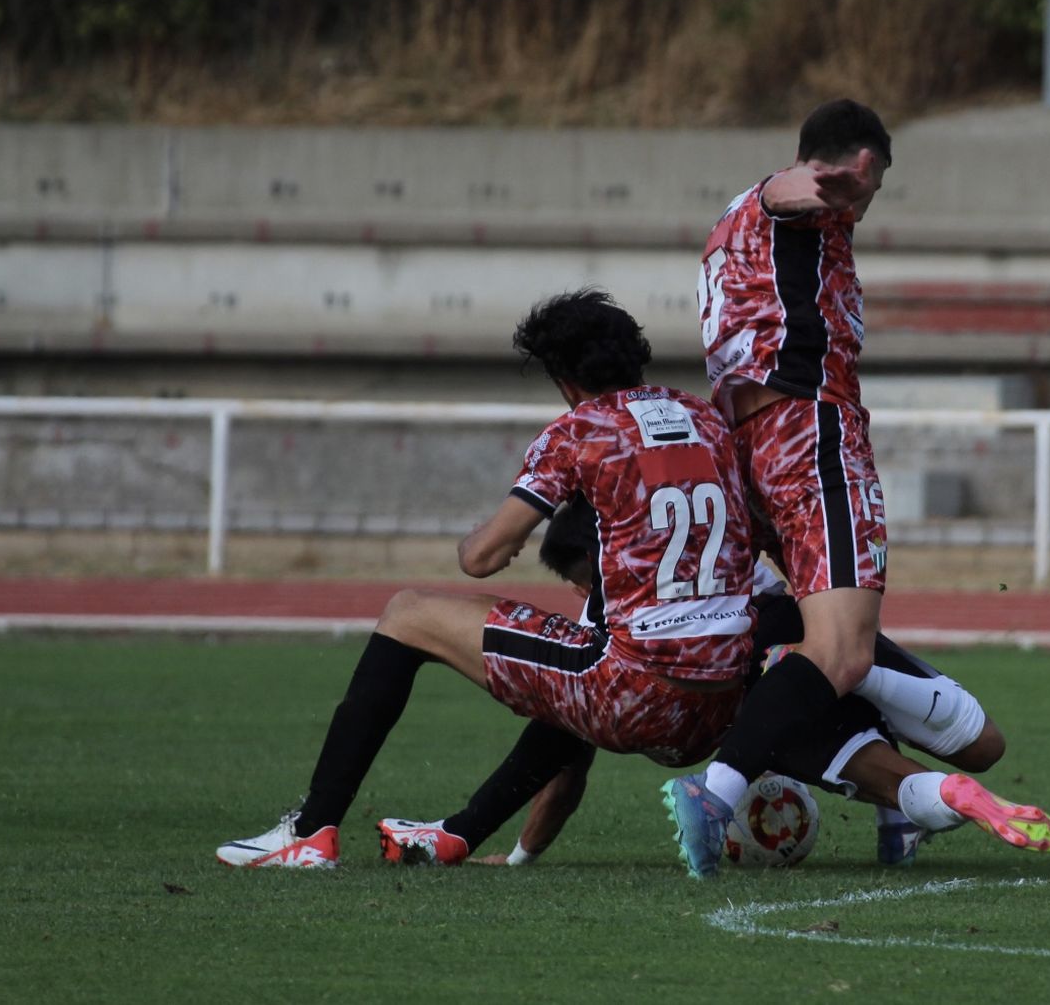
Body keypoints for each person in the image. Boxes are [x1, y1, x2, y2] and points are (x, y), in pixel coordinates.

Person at [216, 288, 759, 868]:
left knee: (408, 613)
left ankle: (310, 830)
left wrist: (483, 535)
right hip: (724, 707)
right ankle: (466, 834)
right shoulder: (703, 417)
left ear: (562, 378)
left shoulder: (579, 430)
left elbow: (482, 557)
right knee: (580, 651)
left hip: (636, 694)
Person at [665, 99, 1050, 877]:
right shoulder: (795, 201)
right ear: (845, 163)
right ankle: (714, 792)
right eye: (865, 183)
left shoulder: (729, 224)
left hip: (752, 445)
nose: (864, 202)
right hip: (811, 433)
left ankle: (892, 809)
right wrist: (834, 184)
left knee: (840, 631)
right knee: (842, 650)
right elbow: (793, 187)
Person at [377, 495, 1050, 870]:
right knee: (982, 744)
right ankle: (870, 701)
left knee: (893, 774)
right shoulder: (708, 537)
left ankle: (915, 797)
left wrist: (523, 853)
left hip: (754, 688)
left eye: (577, 575)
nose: (581, 588)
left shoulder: (610, 615)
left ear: (590, 563)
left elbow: (563, 755)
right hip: (801, 637)